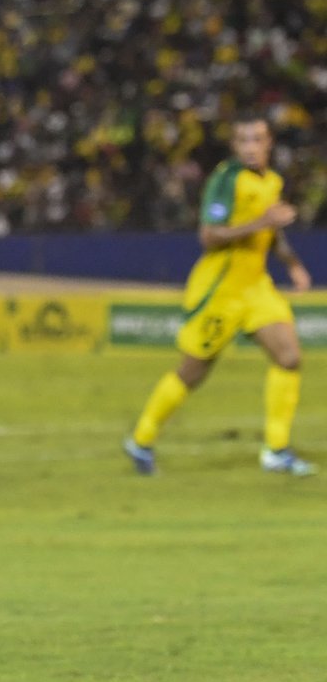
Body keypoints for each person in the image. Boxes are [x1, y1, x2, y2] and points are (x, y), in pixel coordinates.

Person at [124, 114, 315, 476]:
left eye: (257, 139)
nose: (251, 147)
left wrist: (292, 264)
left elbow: (272, 233)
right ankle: (141, 438)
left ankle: (276, 451)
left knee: (288, 357)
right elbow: (210, 236)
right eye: (243, 140)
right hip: (219, 290)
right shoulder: (226, 180)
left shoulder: (273, 181)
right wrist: (262, 223)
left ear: (269, 142)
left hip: (255, 287)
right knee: (192, 373)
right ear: (235, 146)